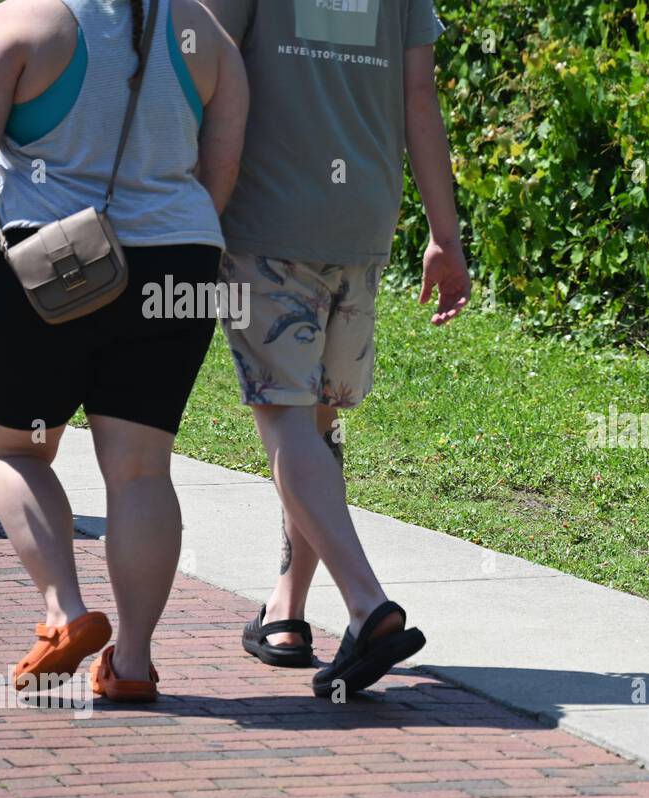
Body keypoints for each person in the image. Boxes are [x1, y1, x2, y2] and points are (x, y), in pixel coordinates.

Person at [202, 0, 471, 697]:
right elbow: (419, 95)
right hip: (361, 222)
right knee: (319, 420)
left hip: (268, 215)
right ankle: (287, 612)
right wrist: (445, 234)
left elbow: (202, 64)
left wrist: (192, 200)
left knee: (287, 417)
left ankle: (365, 605)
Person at [0, 0, 247, 702]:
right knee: (140, 472)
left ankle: (65, 613)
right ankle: (132, 661)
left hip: (48, 267)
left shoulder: (23, 24)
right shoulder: (209, 37)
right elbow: (219, 173)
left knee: (10, 449)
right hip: (180, 266)